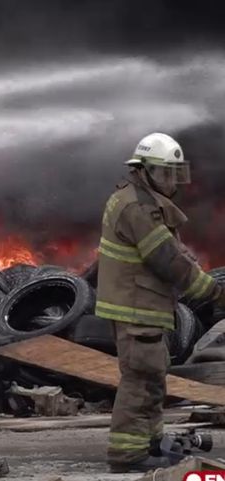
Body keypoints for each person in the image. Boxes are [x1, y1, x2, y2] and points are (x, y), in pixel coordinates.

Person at [97, 132, 225, 473]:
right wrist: (215, 292)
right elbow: (167, 260)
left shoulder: (137, 198)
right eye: (164, 173)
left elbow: (169, 249)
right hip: (136, 306)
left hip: (140, 305)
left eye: (174, 173)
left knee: (152, 378)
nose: (171, 181)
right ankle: (128, 454)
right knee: (141, 380)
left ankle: (148, 444)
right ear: (143, 169)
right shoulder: (138, 207)